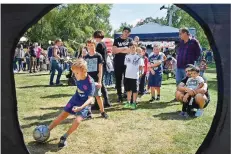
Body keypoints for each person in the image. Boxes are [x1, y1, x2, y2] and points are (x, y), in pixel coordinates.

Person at [48, 58, 95, 148]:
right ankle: (48, 129)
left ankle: (64, 137)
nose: (75, 75)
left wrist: (80, 107)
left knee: (77, 121)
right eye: (74, 73)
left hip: (83, 104)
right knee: (62, 115)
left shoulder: (90, 82)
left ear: (84, 71)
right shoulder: (77, 76)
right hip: (75, 99)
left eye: (77, 73)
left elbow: (90, 99)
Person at [84, 39, 109, 118]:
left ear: (95, 45)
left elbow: (100, 70)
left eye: (91, 45)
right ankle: (88, 112)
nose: (90, 47)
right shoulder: (86, 57)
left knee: (98, 96)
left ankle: (102, 112)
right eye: (88, 45)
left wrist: (99, 81)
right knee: (88, 97)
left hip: (96, 79)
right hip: (87, 79)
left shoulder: (98, 56)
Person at [112, 27, 133, 102]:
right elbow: (114, 51)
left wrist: (119, 49)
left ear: (129, 33)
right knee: (118, 79)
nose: (126, 33)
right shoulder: (117, 40)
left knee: (127, 79)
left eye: (128, 32)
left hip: (128, 63)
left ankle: (126, 94)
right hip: (118, 62)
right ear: (122, 32)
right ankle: (119, 95)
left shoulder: (130, 40)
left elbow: (130, 50)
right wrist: (124, 48)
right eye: (125, 31)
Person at [93, 30, 111, 108]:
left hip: (100, 66)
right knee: (101, 84)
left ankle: (98, 103)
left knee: (98, 84)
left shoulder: (100, 45)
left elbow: (99, 57)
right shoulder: (103, 44)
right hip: (102, 66)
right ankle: (106, 101)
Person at [123, 42, 144, 109]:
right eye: (131, 47)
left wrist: (140, 74)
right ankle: (128, 102)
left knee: (134, 90)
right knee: (128, 90)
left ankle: (134, 103)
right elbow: (127, 65)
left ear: (136, 48)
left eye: (134, 47)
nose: (132, 48)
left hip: (134, 76)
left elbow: (141, 67)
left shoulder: (138, 57)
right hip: (127, 76)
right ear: (129, 48)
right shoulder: (127, 56)